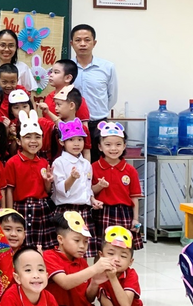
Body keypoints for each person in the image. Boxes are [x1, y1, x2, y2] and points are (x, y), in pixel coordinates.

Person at [98, 226, 193, 306]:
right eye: (111, 254)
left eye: (123, 256)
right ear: (101, 255)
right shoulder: (99, 276)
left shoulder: (131, 274)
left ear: (130, 261)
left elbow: (126, 304)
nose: (116, 259)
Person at [43, 212, 127, 306]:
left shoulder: (82, 262)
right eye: (77, 240)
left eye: (86, 242)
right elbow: (65, 283)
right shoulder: (49, 256)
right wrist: (94, 269)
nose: (82, 246)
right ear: (60, 239)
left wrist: (94, 283)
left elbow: (88, 298)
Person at [4, 110, 53, 251]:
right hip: (21, 207)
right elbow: (9, 190)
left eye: (37, 137)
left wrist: (48, 182)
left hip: (41, 208)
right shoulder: (12, 162)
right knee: (20, 246)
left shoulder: (44, 162)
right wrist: (10, 212)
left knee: (40, 247)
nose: (33, 141)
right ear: (19, 141)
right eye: (28, 137)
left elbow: (47, 190)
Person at [51, 119, 100, 257]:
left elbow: (87, 187)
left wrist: (92, 200)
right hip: (66, 209)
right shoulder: (59, 163)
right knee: (66, 248)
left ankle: (83, 270)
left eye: (80, 139)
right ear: (62, 142)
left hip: (84, 210)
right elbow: (60, 189)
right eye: (71, 140)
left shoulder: (86, 163)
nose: (76, 143)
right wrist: (72, 178)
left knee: (82, 248)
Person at [92, 122, 144, 250]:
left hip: (124, 213)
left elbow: (134, 197)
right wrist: (99, 186)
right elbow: (89, 192)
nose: (113, 148)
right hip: (102, 213)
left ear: (124, 146)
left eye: (118, 144)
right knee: (101, 249)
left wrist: (135, 219)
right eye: (108, 144)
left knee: (123, 248)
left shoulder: (130, 170)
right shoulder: (93, 167)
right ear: (100, 147)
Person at [70, 25, 118, 161]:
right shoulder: (65, 67)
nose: (82, 44)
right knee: (73, 164)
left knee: (99, 164)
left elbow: (112, 96)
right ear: (72, 44)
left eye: (87, 40)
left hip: (98, 125)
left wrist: (98, 112)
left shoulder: (107, 67)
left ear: (94, 43)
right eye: (78, 40)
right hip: (72, 125)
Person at [5, 89, 54, 158]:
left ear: (30, 107)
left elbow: (61, 128)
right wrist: (14, 136)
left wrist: (48, 112)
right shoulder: (12, 127)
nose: (21, 110)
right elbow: (12, 153)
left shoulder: (42, 122)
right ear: (11, 111)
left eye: (25, 106)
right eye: (16, 108)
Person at [48, 86, 91, 160]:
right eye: (55, 105)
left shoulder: (82, 128)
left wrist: (87, 166)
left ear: (71, 105)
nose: (56, 108)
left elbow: (86, 152)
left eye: (59, 105)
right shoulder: (55, 127)